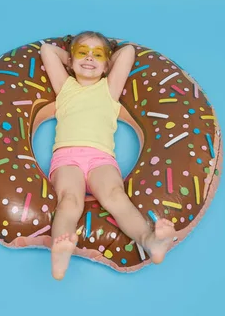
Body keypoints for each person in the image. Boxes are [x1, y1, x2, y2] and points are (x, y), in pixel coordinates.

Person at [40, 31, 176, 280]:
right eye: (82, 53)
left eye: (97, 55)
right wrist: (70, 58)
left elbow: (128, 53)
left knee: (115, 196)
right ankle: (60, 254)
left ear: (106, 64)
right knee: (69, 200)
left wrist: (104, 60)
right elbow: (47, 51)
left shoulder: (109, 89)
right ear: (70, 61)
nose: (89, 58)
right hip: (67, 158)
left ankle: (150, 241)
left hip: (101, 158)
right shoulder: (65, 86)